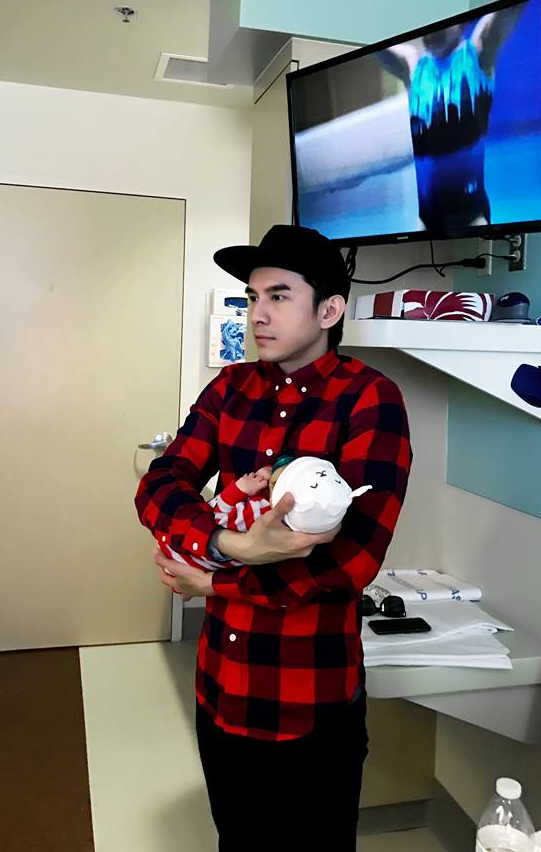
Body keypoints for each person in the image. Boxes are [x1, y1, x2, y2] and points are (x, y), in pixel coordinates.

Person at [134, 224, 412, 852]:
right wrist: (228, 544)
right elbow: (160, 484)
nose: (257, 314)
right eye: (253, 297)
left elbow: (350, 562)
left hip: (310, 699)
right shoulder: (229, 389)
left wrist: (213, 583)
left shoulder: (370, 400)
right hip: (219, 687)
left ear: (329, 311)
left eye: (279, 297)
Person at [379, 5, 523, 233]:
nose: (430, 33)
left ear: (462, 23)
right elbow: (372, 42)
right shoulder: (413, 67)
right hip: (427, 222)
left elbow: (508, 10)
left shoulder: (477, 54)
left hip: (471, 218)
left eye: (439, 26)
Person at [159, 454, 371, 572]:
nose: (267, 481)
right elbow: (160, 479)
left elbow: (215, 515)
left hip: (183, 556)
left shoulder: (260, 513)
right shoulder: (292, 526)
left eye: (274, 482)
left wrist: (238, 489)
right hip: (190, 556)